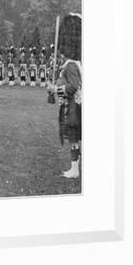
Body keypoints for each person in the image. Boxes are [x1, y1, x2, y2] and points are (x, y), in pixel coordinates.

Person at [47, 14, 82, 178]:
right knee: (75, 138)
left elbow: (73, 86)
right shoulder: (72, 64)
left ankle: (75, 169)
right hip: (73, 106)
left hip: (74, 108)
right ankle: (75, 167)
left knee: (74, 138)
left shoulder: (71, 65)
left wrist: (56, 90)